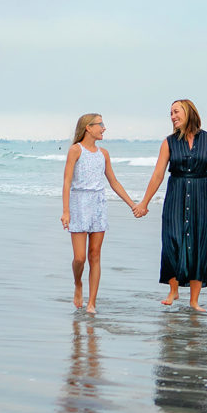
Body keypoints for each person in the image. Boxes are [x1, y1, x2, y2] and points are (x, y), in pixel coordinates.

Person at [135, 99, 207, 312]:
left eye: (176, 112)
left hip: (201, 194)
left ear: (189, 112)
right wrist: (144, 202)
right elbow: (158, 174)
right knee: (172, 240)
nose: (172, 116)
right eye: (170, 113)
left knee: (200, 243)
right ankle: (173, 290)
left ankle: (194, 300)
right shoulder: (168, 142)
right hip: (176, 193)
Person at [61, 113, 139, 313]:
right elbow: (67, 182)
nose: (104, 128)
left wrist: (133, 204)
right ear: (88, 127)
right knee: (80, 258)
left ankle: (91, 303)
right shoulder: (75, 151)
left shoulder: (103, 154)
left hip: (98, 204)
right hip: (79, 203)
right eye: (100, 124)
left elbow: (113, 182)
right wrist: (66, 211)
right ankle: (78, 284)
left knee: (95, 255)